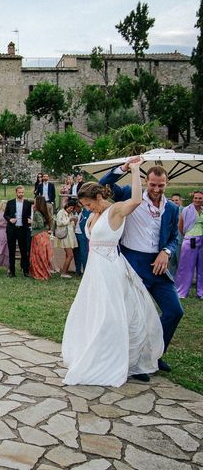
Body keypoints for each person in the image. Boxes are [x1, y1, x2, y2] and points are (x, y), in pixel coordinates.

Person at [63, 161, 164, 386]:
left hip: (110, 269)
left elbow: (137, 199)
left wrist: (136, 170)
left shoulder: (115, 210)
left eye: (89, 204)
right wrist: (122, 167)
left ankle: (124, 360)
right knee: (94, 313)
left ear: (99, 198)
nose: (87, 208)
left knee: (113, 315)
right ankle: (95, 354)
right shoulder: (93, 215)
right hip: (94, 271)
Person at [100, 157, 183, 374]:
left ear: (167, 184)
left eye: (161, 185)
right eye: (153, 184)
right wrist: (123, 168)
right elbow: (103, 184)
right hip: (133, 263)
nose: (156, 189)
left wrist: (166, 251)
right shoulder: (130, 194)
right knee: (134, 317)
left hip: (159, 266)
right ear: (146, 181)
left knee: (174, 311)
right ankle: (133, 361)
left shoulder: (173, 208)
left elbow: (174, 236)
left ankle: (155, 355)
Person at [175, 191, 203, 298]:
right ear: (193, 198)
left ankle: (201, 292)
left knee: (201, 267)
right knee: (186, 267)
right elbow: (181, 226)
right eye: (196, 198)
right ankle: (181, 291)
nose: (197, 200)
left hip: (202, 240)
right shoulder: (187, 210)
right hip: (190, 240)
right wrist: (188, 236)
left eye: (200, 198)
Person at [4, 186, 32, 278]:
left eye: (22, 192)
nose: (21, 194)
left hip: (23, 229)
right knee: (11, 250)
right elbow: (5, 215)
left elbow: (29, 215)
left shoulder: (27, 203)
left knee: (24, 251)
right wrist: (10, 219)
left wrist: (29, 220)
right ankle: (12, 271)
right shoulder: (10, 202)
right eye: (19, 192)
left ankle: (25, 270)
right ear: (16, 192)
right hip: (12, 229)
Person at [29, 196, 54, 280]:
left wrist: (31, 222)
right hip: (44, 235)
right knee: (43, 255)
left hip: (39, 235)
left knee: (38, 255)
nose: (34, 202)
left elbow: (40, 224)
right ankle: (44, 272)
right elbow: (46, 224)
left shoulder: (37, 212)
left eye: (35, 201)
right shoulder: (44, 211)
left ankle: (40, 273)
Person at [54, 200, 79, 278]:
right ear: (67, 205)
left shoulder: (70, 214)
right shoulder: (61, 212)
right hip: (65, 237)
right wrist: (69, 220)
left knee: (68, 255)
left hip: (70, 236)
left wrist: (74, 221)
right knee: (70, 255)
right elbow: (59, 223)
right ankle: (64, 273)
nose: (71, 209)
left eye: (72, 208)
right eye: (70, 208)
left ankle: (65, 271)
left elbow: (72, 226)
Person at [73, 203, 91, 276]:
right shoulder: (74, 213)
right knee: (76, 253)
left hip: (82, 235)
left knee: (84, 253)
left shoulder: (86, 212)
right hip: (75, 234)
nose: (75, 210)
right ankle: (77, 270)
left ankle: (85, 271)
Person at [169, 193, 184, 276]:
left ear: (180, 201)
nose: (175, 202)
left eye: (176, 200)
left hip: (180, 241)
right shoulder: (169, 210)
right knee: (172, 263)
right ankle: (172, 281)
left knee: (180, 262)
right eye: (173, 200)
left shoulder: (185, 211)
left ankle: (182, 283)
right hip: (171, 242)